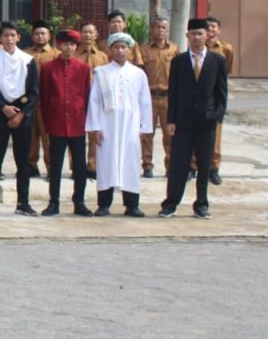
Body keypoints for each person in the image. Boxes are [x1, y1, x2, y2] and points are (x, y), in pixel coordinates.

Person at [160, 19, 228, 219]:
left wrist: (217, 115)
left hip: (207, 122)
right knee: (178, 165)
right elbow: (173, 92)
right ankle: (171, 203)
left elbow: (222, 92)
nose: (197, 37)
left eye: (200, 33)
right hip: (183, 122)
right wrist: (171, 120)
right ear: (187, 36)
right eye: (193, 34)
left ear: (207, 35)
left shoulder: (218, 60)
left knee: (204, 165)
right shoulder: (179, 61)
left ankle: (201, 204)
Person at [84, 32, 152, 217]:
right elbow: (95, 101)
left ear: (129, 50)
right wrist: (96, 127)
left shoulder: (138, 74)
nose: (120, 50)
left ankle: (132, 205)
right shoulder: (101, 73)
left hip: (131, 125)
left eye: (124, 47)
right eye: (116, 47)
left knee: (130, 163)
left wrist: (145, 128)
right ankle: (104, 204)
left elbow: (145, 102)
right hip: (107, 125)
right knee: (106, 163)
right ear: (110, 50)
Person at [0, 22, 41, 216]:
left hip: (22, 118)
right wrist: (3, 107)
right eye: (5, 35)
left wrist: (21, 113)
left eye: (12, 35)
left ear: (18, 37)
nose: (9, 38)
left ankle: (23, 203)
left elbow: (33, 92)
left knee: (23, 162)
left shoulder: (28, 60)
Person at [39, 30, 93, 216]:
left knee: (79, 166)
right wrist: (48, 122)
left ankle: (79, 202)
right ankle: (53, 202)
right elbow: (45, 98)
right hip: (56, 123)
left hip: (78, 123)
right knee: (55, 166)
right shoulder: (48, 68)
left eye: (72, 45)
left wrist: (86, 120)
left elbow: (87, 96)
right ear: (59, 46)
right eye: (65, 44)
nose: (68, 48)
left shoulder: (84, 68)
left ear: (76, 47)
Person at [140, 16, 178, 179]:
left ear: (168, 30)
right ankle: (147, 165)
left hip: (168, 97)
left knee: (169, 133)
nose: (160, 30)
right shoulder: (144, 50)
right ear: (152, 29)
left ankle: (170, 165)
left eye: (163, 27)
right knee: (147, 133)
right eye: (157, 27)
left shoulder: (174, 49)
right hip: (149, 96)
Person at [75, 23, 109, 180]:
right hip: (78, 99)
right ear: (80, 35)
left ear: (96, 35)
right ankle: (76, 166)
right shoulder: (74, 54)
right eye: (85, 32)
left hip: (97, 100)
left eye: (91, 32)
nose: (88, 35)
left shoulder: (102, 56)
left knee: (95, 132)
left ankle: (93, 166)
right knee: (76, 133)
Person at [26, 20, 59, 178]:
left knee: (48, 136)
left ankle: (51, 167)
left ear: (49, 35)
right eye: (37, 34)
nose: (40, 36)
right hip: (28, 101)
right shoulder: (24, 54)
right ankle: (31, 165)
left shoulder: (56, 54)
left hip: (48, 102)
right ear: (32, 36)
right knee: (30, 135)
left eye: (43, 33)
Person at [204, 15, 234, 185]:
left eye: (214, 27)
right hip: (199, 96)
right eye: (208, 27)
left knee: (216, 136)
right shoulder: (197, 46)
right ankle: (193, 167)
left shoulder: (226, 49)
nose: (211, 30)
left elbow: (226, 72)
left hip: (216, 96)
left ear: (219, 29)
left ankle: (213, 169)